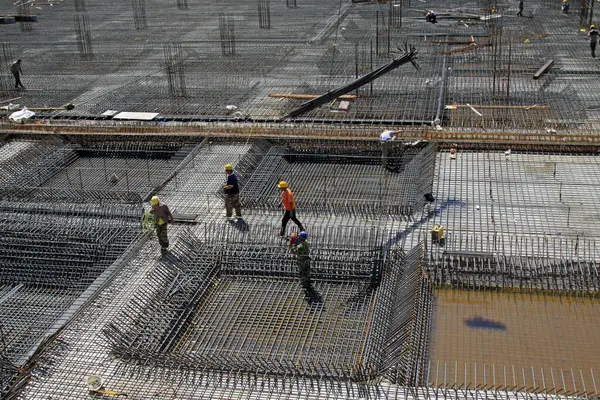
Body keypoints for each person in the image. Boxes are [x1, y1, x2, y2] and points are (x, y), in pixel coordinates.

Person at [292, 231, 318, 301]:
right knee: (307, 271)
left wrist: (291, 245)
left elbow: (294, 251)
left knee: (302, 272)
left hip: (301, 261)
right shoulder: (306, 243)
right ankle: (308, 281)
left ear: (300, 238)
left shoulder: (300, 247)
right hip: (307, 260)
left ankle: (304, 284)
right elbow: (302, 240)